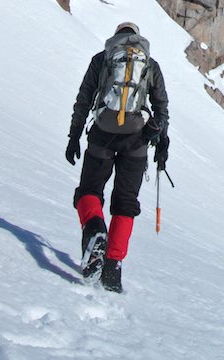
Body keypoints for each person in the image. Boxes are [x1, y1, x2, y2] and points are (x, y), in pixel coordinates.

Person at [65, 22, 169, 292]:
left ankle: (95, 229)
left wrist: (74, 135)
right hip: (137, 139)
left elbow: (84, 99)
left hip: (102, 134)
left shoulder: (102, 59)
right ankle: (113, 268)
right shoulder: (150, 64)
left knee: (89, 190)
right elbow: (161, 106)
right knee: (125, 202)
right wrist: (162, 143)